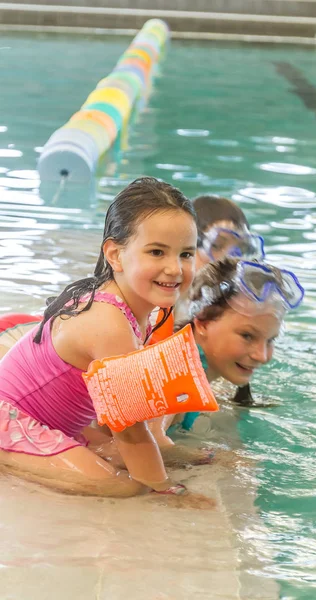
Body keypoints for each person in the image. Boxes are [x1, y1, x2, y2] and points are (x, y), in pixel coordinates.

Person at [0, 176, 202, 500]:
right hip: (9, 423)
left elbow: (118, 419)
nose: (175, 268)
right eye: (156, 252)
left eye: (186, 254)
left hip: (49, 421)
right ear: (115, 254)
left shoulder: (133, 307)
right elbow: (132, 433)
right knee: (126, 486)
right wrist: (167, 490)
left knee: (123, 458)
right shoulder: (110, 325)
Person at [161, 256, 304, 438]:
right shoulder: (173, 382)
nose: (262, 356)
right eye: (247, 336)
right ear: (203, 323)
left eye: (270, 340)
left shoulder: (195, 370)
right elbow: (118, 454)